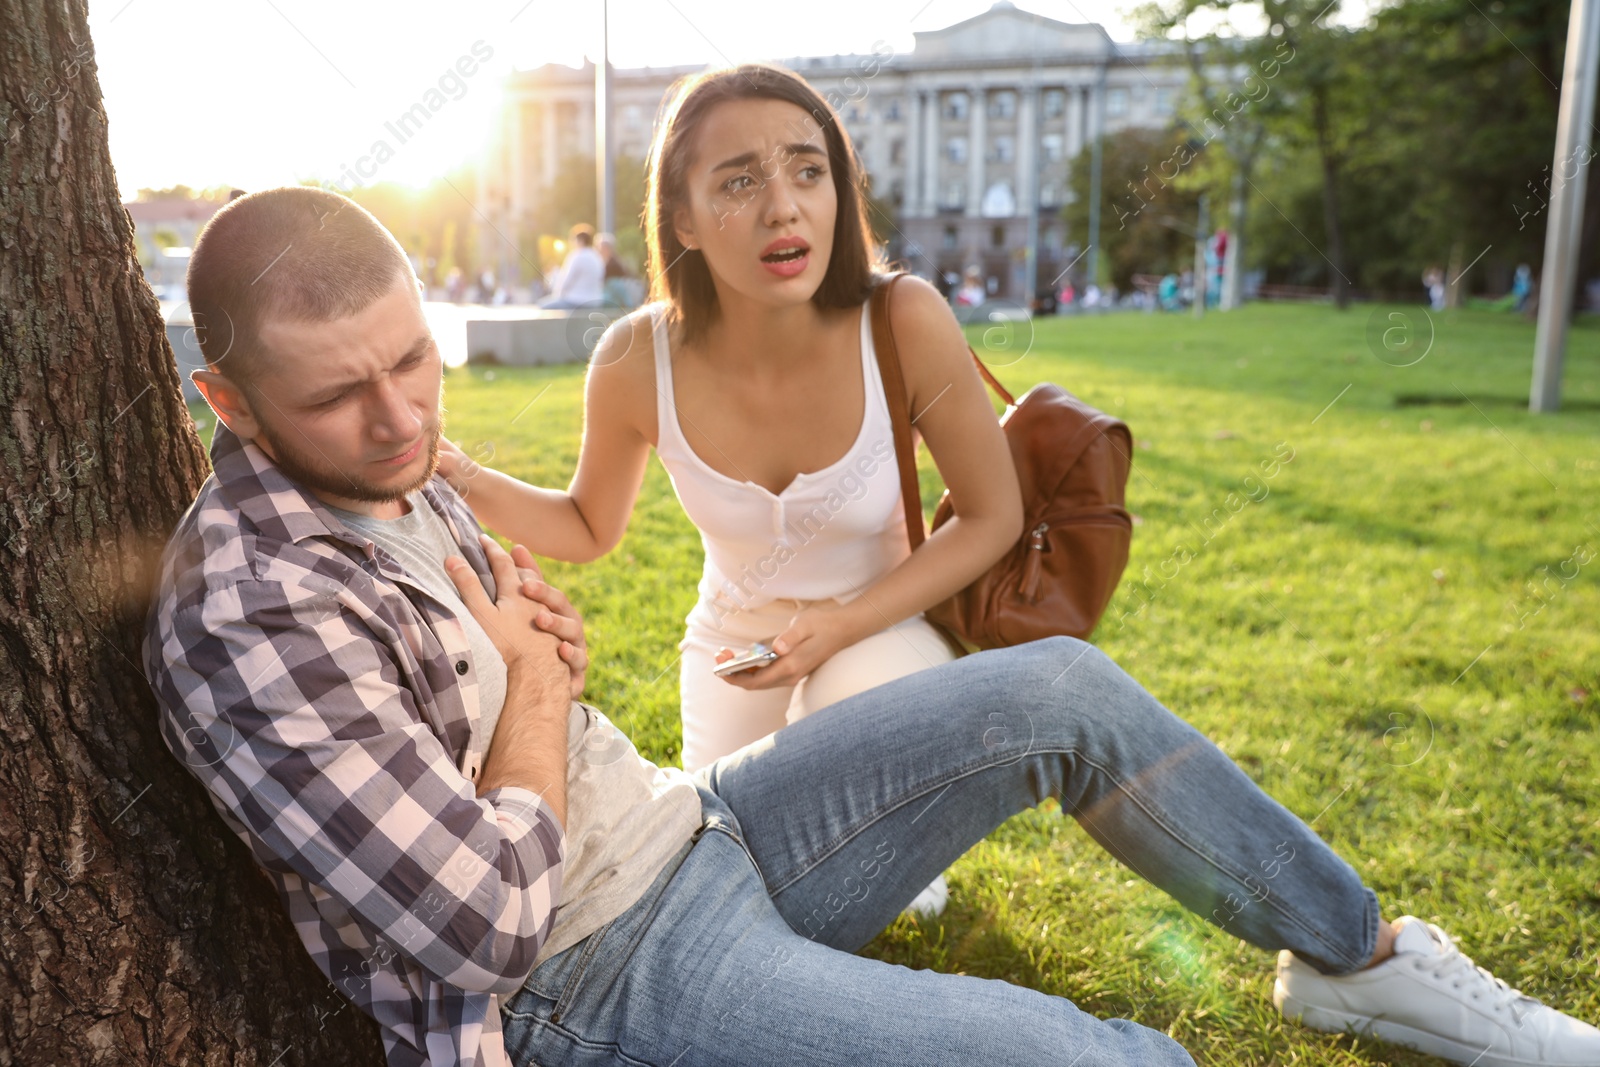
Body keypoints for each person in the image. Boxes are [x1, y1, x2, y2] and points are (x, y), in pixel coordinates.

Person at [144, 183, 1600, 1067]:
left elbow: (530, 647)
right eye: (340, 395)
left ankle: (1365, 961)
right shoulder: (248, 608)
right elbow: (482, 923)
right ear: (228, 400)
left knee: (1062, 688)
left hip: (695, 828)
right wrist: (530, 689)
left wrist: (542, 664)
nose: (400, 420)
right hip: (588, 975)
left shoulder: (394, 475)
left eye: (414, 362)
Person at [438, 70, 1019, 836]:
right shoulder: (635, 357)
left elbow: (992, 515)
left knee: (837, 735)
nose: (784, 206)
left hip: (883, 629)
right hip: (733, 647)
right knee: (725, 847)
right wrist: (462, 474)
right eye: (740, 181)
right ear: (682, 219)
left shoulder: (904, 318)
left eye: (809, 171)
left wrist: (844, 623)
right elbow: (587, 524)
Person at [538, 225, 605, 309]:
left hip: (576, 301)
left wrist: (557, 295)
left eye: (574, 240)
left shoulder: (577, 255)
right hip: (595, 301)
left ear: (580, 241)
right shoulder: (597, 256)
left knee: (541, 305)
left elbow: (566, 281)